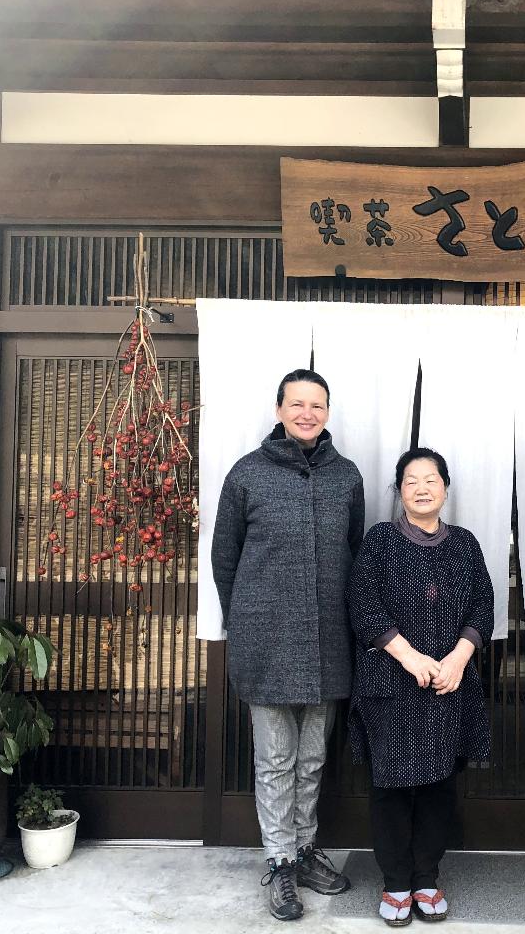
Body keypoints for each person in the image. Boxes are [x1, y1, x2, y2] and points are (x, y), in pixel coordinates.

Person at [211, 368, 365, 922]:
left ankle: (303, 849)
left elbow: (352, 551)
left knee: (312, 758)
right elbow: (223, 559)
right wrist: (246, 618)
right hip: (266, 641)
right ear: (278, 410)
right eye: (296, 404)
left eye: (317, 405)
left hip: (327, 640)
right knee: (275, 758)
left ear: (327, 413)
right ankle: (278, 861)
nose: (307, 413)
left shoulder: (345, 476)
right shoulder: (247, 474)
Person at [346, 448, 494, 927]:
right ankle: (395, 883)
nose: (423, 488)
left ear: (446, 489)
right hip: (392, 683)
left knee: (437, 785)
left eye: (432, 479)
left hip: (449, 684)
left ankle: (427, 877)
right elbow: (363, 606)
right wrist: (410, 658)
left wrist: (457, 658)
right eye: (411, 481)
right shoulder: (380, 541)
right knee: (390, 787)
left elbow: (483, 607)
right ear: (399, 492)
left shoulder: (466, 544)